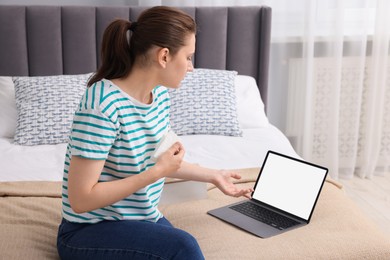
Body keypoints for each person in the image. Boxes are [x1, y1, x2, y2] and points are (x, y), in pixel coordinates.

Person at [57, 6, 253, 260]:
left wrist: (214, 175)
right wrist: (154, 174)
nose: (191, 67)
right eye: (189, 57)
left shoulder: (159, 95)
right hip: (87, 232)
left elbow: (163, 161)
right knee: (183, 246)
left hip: (142, 218)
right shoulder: (102, 104)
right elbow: (81, 200)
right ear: (164, 56)